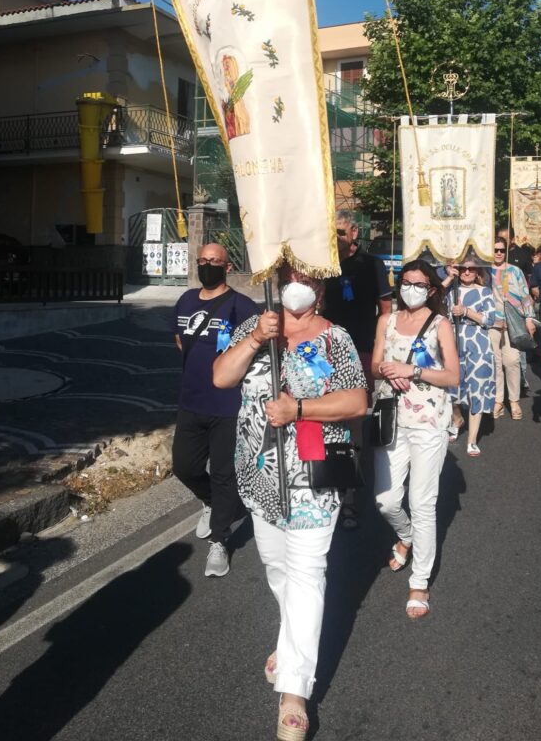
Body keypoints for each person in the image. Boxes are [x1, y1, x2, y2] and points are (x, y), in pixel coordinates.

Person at [213, 263, 367, 741]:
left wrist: (298, 409)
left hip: (314, 481)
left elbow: (357, 401)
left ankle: (295, 691)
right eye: (291, 276)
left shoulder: (335, 338)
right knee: (277, 570)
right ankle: (291, 637)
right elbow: (221, 377)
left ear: (320, 288)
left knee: (306, 575)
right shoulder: (254, 327)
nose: (299, 285)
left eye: (310, 277)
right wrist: (257, 337)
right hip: (260, 480)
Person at [371, 260, 460, 618]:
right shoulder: (386, 321)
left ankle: (419, 581)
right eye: (406, 282)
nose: (410, 289)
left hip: (428, 422)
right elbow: (375, 363)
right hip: (391, 419)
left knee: (423, 503)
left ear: (432, 290)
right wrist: (387, 371)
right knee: (386, 500)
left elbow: (452, 376)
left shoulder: (440, 325)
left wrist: (415, 370)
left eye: (419, 284)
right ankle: (405, 535)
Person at [169, 243, 258, 578]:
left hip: (227, 406)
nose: (207, 266)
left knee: (223, 474)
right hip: (191, 401)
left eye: (214, 262)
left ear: (228, 267)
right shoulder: (186, 300)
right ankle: (216, 503)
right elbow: (180, 340)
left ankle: (220, 540)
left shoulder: (242, 306)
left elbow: (254, 350)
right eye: (202, 261)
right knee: (184, 467)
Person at [322, 209, 392, 528]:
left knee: (353, 420)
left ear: (353, 234)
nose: (334, 238)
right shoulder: (322, 265)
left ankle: (349, 493)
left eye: (339, 232)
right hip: (325, 351)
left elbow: (386, 311)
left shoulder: (372, 265)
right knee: (322, 415)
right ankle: (324, 479)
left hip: (361, 349)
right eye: (330, 232)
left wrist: (379, 350)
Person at [445, 260, 496, 456]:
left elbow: (489, 319)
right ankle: (457, 418)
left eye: (471, 268)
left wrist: (466, 312)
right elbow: (433, 296)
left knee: (477, 388)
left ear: (477, 271)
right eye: (462, 268)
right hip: (454, 342)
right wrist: (449, 277)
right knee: (451, 388)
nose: (466, 272)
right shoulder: (451, 290)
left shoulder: (485, 292)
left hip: (478, 344)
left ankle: (472, 439)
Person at [490, 239, 537, 419]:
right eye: (495, 250)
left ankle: (514, 401)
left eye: (502, 250)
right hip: (492, 323)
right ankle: (498, 401)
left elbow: (525, 295)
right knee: (495, 363)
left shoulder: (515, 271)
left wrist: (530, 318)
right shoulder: (484, 271)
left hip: (514, 323)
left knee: (512, 361)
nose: (499, 253)